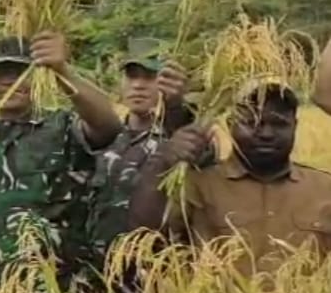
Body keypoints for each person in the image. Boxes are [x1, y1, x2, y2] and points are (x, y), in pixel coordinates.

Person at [0, 32, 123, 293]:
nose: (10, 81)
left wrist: (62, 70)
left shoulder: (64, 127)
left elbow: (109, 126)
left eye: (20, 71)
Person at [129, 80, 331, 276]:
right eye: (252, 122)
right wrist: (163, 162)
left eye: (279, 124)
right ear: (230, 124)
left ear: (294, 126)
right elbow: (146, 238)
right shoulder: (198, 184)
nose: (267, 133)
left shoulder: (325, 188)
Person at [84, 38, 200, 293]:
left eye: (150, 77)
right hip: (97, 288)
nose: (138, 85)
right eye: (132, 76)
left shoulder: (181, 139)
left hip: (155, 289)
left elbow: (203, 159)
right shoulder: (103, 138)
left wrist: (177, 107)